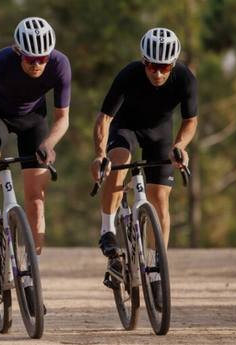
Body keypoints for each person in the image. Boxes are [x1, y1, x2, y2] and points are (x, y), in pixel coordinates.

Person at [0, 17, 71, 313]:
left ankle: (31, 278)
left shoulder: (60, 64)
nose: (37, 65)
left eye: (43, 58)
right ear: (19, 52)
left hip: (34, 120)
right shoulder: (1, 62)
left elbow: (62, 119)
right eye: (31, 59)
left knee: (36, 202)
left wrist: (48, 145)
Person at [89, 27, 197, 306]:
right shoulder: (128, 75)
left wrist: (180, 147)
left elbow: (190, 121)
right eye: (151, 65)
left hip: (160, 134)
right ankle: (107, 230)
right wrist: (101, 154)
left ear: (173, 65)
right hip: (126, 129)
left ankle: (156, 267)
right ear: (143, 60)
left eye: (163, 67)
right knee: (118, 164)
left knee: (160, 199)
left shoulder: (185, 78)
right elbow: (103, 119)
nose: (157, 73)